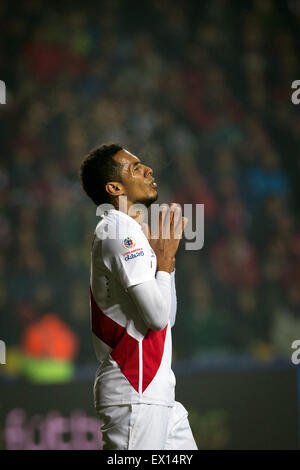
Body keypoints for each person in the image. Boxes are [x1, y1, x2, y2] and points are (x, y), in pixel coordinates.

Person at [79, 143, 197, 450]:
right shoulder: (117, 230)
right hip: (134, 390)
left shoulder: (130, 231)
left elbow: (165, 318)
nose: (148, 170)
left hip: (157, 393)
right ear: (115, 187)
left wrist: (163, 264)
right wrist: (166, 262)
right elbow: (157, 317)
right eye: (135, 167)